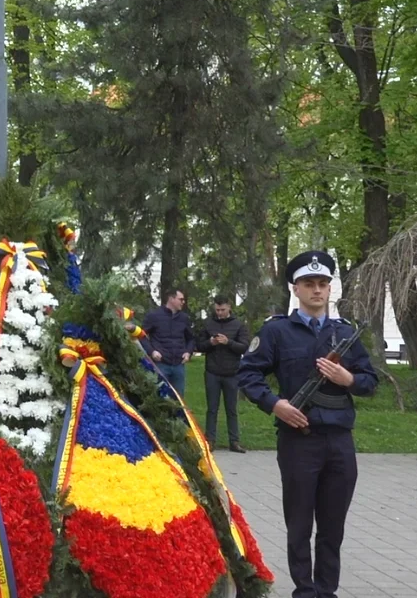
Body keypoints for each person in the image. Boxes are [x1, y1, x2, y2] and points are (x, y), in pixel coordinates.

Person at [238, 251, 378, 598]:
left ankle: (326, 591)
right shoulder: (277, 331)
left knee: (332, 526)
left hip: (340, 441)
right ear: (295, 289)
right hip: (299, 440)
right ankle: (304, 589)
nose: (316, 290)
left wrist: (348, 379)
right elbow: (248, 373)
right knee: (299, 523)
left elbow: (370, 381)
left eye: (322, 284)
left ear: (330, 290)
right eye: (309, 284)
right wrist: (275, 405)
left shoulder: (344, 332)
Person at [195, 295, 249, 452]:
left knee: (231, 409)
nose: (219, 313)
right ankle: (210, 440)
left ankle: (234, 441)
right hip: (212, 371)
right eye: (217, 309)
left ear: (229, 307)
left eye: (222, 310)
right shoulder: (208, 324)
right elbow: (199, 345)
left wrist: (228, 342)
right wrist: (210, 343)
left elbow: (244, 347)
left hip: (232, 372)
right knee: (212, 408)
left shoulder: (238, 325)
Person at [143, 287, 193, 397]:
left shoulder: (184, 318)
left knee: (179, 399)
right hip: (161, 364)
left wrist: (188, 352)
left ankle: (177, 415)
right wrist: (152, 351)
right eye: (181, 299)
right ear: (171, 298)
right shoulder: (154, 316)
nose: (183, 302)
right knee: (158, 397)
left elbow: (191, 338)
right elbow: (141, 336)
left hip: (179, 365)